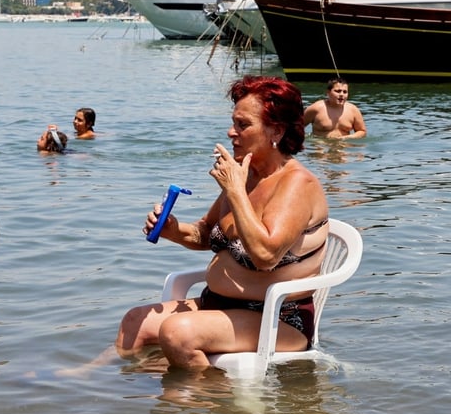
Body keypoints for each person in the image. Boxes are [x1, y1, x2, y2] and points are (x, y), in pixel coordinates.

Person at [116, 75, 330, 369]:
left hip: (276, 319)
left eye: (243, 125)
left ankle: (214, 406)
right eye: (233, 122)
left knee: (177, 333)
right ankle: (138, 393)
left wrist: (235, 191)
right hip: (216, 304)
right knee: (135, 324)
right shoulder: (247, 174)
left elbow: (266, 255)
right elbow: (207, 234)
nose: (231, 132)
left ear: (276, 130)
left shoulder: (297, 184)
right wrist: (173, 230)